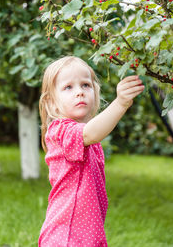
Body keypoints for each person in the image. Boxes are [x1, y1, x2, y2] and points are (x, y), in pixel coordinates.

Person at [38, 56, 145, 247]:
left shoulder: (89, 136)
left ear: (95, 91)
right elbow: (91, 133)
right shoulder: (61, 131)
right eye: (68, 87)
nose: (79, 92)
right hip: (67, 235)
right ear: (52, 102)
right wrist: (120, 103)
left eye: (85, 85)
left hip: (88, 232)